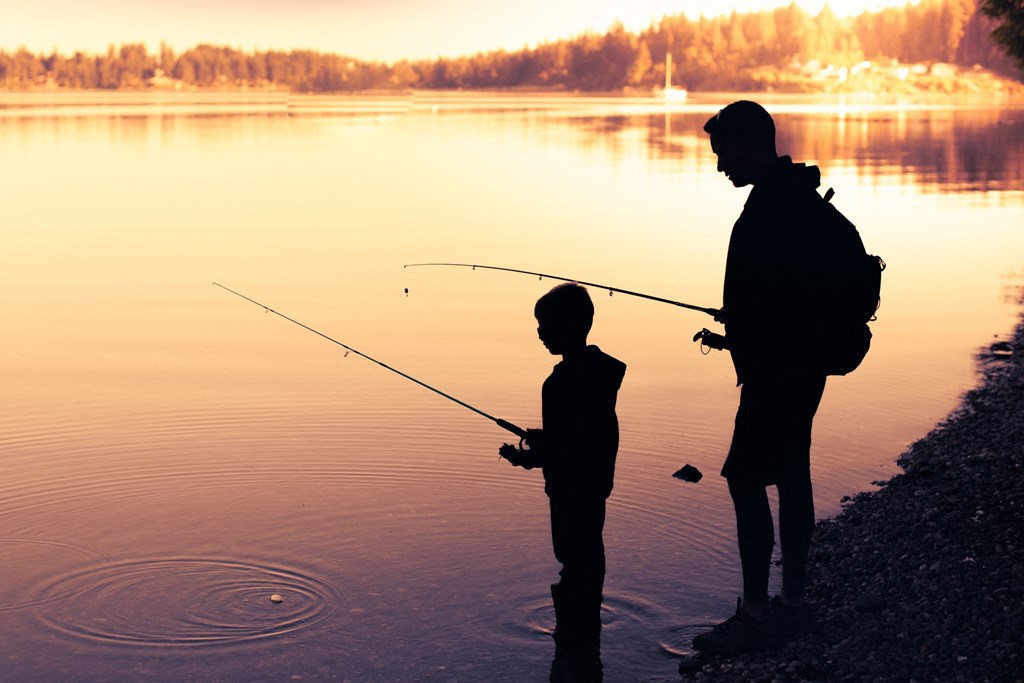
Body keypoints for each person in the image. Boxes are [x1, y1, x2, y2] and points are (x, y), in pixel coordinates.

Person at [692, 100, 846, 656]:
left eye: (723, 152)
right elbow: (787, 298)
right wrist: (737, 333)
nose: (719, 167)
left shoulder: (771, 208)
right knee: (792, 473)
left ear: (751, 144)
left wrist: (750, 336)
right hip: (800, 366)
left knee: (745, 478)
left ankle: (757, 615)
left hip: (778, 374)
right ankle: (794, 605)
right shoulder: (794, 196)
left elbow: (777, 302)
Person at [499, 282, 626, 681]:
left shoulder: (558, 384)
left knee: (573, 557)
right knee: (588, 555)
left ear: (570, 326)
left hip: (571, 489)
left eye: (545, 324)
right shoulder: (601, 374)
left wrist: (527, 458)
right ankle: (585, 635)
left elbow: (565, 448)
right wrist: (544, 440)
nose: (539, 332)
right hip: (595, 483)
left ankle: (575, 639)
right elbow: (580, 434)